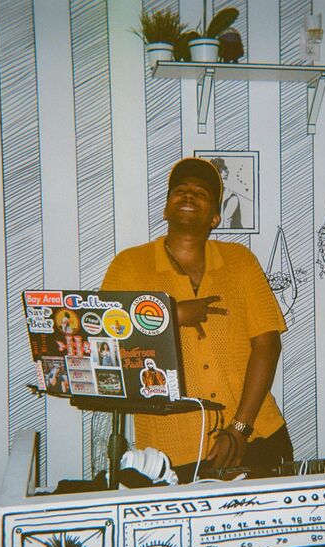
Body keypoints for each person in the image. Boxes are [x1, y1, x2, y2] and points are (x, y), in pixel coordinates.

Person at [102, 157, 292, 480]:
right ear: (165, 210)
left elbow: (268, 345)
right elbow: (105, 342)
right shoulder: (128, 266)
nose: (189, 195)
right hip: (170, 452)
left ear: (216, 216)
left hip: (256, 436)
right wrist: (172, 315)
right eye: (180, 190)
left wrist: (240, 428)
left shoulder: (241, 261)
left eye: (201, 193)